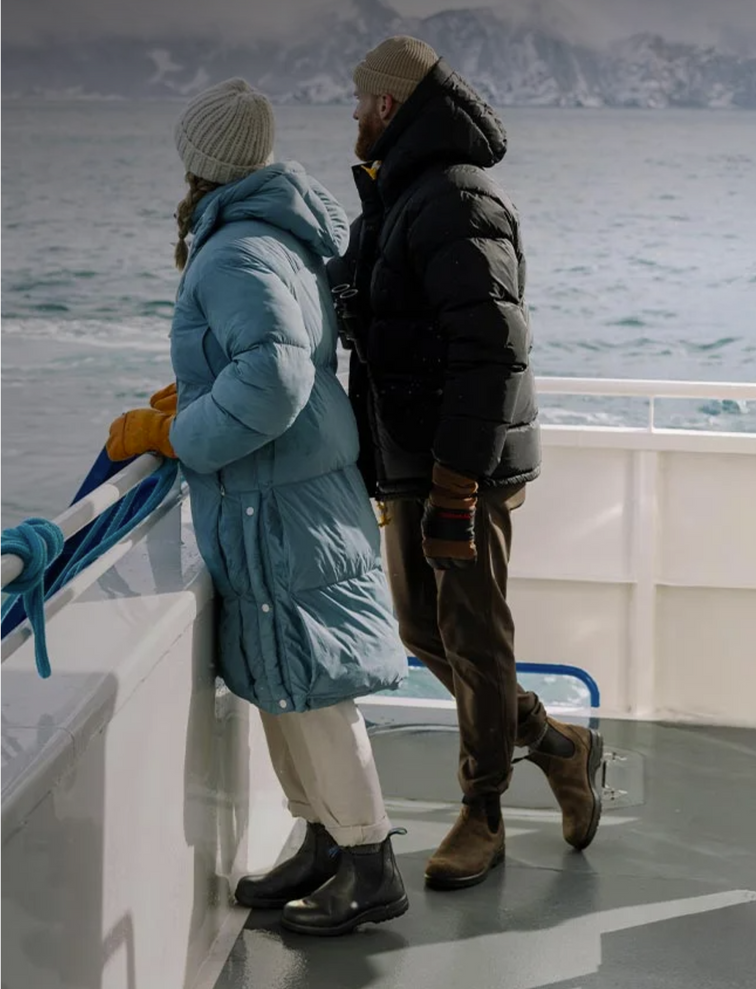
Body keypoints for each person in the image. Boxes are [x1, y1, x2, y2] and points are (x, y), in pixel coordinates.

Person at [105, 78, 409, 936]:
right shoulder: (272, 232)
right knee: (289, 677)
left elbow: (274, 376)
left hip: (281, 500)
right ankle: (323, 842)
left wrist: (176, 436)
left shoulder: (237, 250)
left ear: (198, 161)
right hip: (283, 492)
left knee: (313, 688)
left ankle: (371, 862)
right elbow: (262, 357)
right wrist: (190, 400)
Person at [331, 37, 605, 891]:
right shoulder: (402, 195)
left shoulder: (453, 197)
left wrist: (458, 484)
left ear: (389, 107)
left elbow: (490, 347)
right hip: (415, 459)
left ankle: (481, 814)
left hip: (459, 467)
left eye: (358, 99)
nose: (350, 112)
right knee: (422, 630)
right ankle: (558, 744)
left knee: (475, 640)